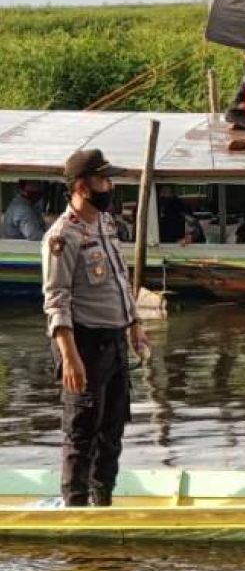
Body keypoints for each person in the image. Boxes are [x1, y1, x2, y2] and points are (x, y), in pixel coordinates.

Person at [42, 149, 150, 507]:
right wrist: (70, 359)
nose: (110, 186)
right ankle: (75, 506)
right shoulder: (62, 237)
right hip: (83, 342)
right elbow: (57, 301)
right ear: (82, 186)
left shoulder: (105, 224)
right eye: (103, 180)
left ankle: (102, 501)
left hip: (114, 340)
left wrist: (134, 323)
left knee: (113, 428)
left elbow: (119, 279)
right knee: (81, 430)